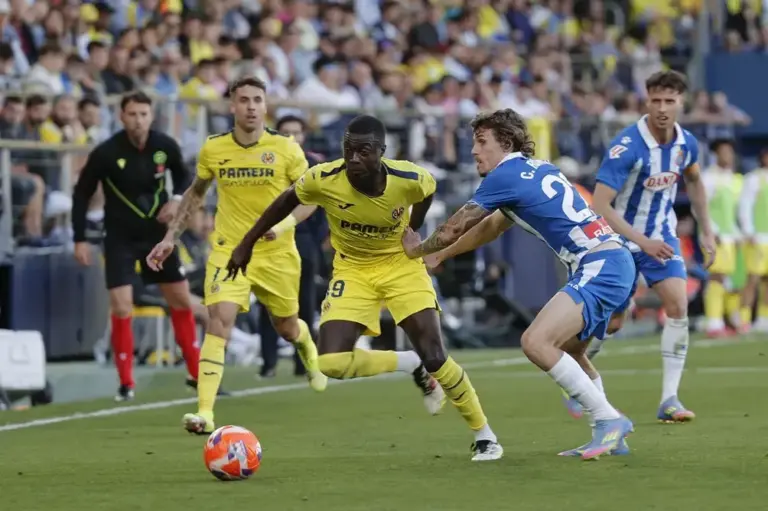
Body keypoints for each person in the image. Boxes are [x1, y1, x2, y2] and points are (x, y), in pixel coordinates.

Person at [226, 114, 504, 462]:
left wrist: (413, 232)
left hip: (400, 266)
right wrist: (245, 244)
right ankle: (407, 363)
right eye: (349, 150)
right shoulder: (323, 178)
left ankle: (484, 436)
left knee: (435, 355)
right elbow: (285, 200)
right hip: (353, 270)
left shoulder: (408, 177)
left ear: (381, 152)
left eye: (364, 151)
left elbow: (428, 191)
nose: (354, 159)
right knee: (330, 363)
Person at [401, 108, 635, 460]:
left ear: (505, 143)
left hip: (597, 266)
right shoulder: (537, 168)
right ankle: (611, 435)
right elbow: (491, 227)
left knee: (535, 342)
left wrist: (417, 250)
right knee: (569, 349)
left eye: (482, 142)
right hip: (613, 259)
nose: (474, 151)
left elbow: (455, 226)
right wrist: (440, 257)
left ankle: (608, 420)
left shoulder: (503, 175)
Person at [145, 77, 327, 435]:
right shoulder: (214, 149)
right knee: (220, 321)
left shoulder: (287, 149)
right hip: (229, 250)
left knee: (286, 327)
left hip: (276, 253)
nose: (251, 106)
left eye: (257, 99)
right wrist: (170, 236)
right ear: (232, 105)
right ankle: (205, 412)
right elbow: (195, 196)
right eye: (243, 99)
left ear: (265, 105)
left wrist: (285, 224)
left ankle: (306, 344)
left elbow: (310, 197)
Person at [573, 70, 715, 423]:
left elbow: (695, 181)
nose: (663, 108)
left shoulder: (686, 144)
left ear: (682, 102)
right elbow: (600, 205)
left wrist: (707, 229)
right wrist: (642, 242)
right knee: (615, 323)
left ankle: (670, 400)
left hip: (660, 237)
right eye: (656, 100)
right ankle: (576, 379)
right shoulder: (627, 146)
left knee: (678, 304)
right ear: (646, 101)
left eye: (670, 101)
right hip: (618, 241)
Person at [72, 91, 200, 402]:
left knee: (181, 300)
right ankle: (126, 383)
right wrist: (79, 238)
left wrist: (176, 200)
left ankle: (196, 374)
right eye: (132, 114)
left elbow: (186, 176)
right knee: (121, 306)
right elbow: (81, 193)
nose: (138, 120)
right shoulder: (106, 152)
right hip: (119, 238)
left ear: (151, 115)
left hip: (158, 236)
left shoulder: (164, 146)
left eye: (143, 114)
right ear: (121, 116)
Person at [258, 114, 329, 378]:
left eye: (296, 132)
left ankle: (303, 362)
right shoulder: (268, 163)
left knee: (305, 301)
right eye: (286, 132)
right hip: (271, 241)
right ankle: (268, 362)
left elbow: (323, 205)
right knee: (268, 301)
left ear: (304, 136)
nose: (291, 137)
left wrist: (317, 238)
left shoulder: (313, 165)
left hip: (303, 240)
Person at [701, 139, 744, 337]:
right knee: (716, 276)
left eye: (730, 152)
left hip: (731, 236)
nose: (728, 156)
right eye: (724, 152)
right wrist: (711, 230)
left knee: (732, 280)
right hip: (713, 235)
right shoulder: (708, 178)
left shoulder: (735, 179)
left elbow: (737, 211)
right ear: (716, 154)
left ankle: (732, 320)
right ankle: (714, 323)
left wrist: (739, 232)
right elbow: (699, 207)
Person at [739, 149, 768, 333]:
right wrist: (749, 231)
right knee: (752, 279)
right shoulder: (754, 178)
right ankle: (744, 319)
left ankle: (764, 319)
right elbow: (745, 205)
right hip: (758, 237)